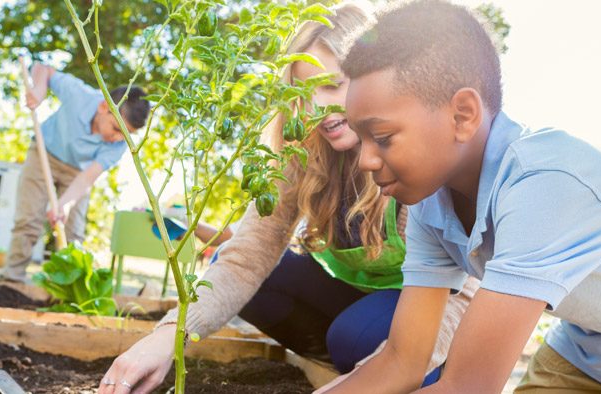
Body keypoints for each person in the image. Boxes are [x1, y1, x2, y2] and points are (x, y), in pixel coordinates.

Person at [96, 3, 476, 393]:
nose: (318, 109)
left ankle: (385, 369)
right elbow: (245, 259)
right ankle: (342, 366)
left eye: (333, 85)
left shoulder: (415, 157)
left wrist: (374, 376)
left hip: (433, 311)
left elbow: (461, 294)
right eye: (304, 92)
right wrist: (167, 338)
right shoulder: (301, 153)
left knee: (353, 336)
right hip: (363, 304)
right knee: (259, 281)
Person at [319, 1, 601, 393]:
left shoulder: (545, 185)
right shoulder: (432, 206)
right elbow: (401, 361)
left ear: (463, 115)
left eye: (382, 137)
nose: (365, 160)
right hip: (590, 351)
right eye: (361, 139)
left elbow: (468, 386)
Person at [0, 63, 150, 282]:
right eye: (117, 128)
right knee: (29, 220)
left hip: (78, 172)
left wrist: (65, 203)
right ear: (103, 107)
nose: (119, 138)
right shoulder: (80, 95)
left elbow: (88, 177)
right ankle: (11, 279)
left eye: (127, 134)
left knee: (73, 231)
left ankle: (68, 287)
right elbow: (43, 68)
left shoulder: (119, 145)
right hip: (44, 153)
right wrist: (39, 90)